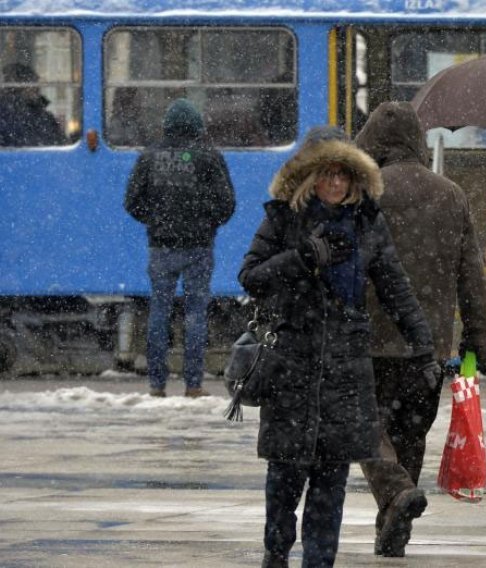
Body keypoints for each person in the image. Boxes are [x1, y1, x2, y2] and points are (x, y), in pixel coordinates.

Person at [237, 126, 439, 568]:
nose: (335, 184)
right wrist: (303, 257)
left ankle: (319, 562)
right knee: (285, 480)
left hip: (346, 371)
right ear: (309, 177)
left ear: (355, 179)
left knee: (331, 485)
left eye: (343, 175)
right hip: (292, 365)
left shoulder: (368, 223)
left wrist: (424, 347)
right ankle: (276, 551)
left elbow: (396, 289)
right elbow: (251, 277)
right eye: (326, 174)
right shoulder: (283, 219)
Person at [354, 101, 486, 557]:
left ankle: (394, 496)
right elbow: (472, 275)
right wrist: (477, 337)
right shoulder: (450, 194)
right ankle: (395, 525)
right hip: (427, 344)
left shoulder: (364, 191)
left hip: (369, 336)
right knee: (411, 432)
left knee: (365, 426)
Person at [124, 98, 235, 398]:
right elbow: (227, 203)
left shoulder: (150, 156)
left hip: (160, 246)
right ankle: (194, 384)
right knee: (195, 314)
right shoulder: (208, 156)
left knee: (159, 312)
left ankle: (157, 384)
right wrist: (207, 224)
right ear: (196, 126)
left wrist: (156, 221)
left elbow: (132, 201)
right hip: (199, 246)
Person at [0, 62, 66, 146]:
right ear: (19, 87)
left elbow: (61, 142)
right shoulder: (10, 115)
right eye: (32, 83)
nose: (37, 88)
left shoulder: (43, 115)